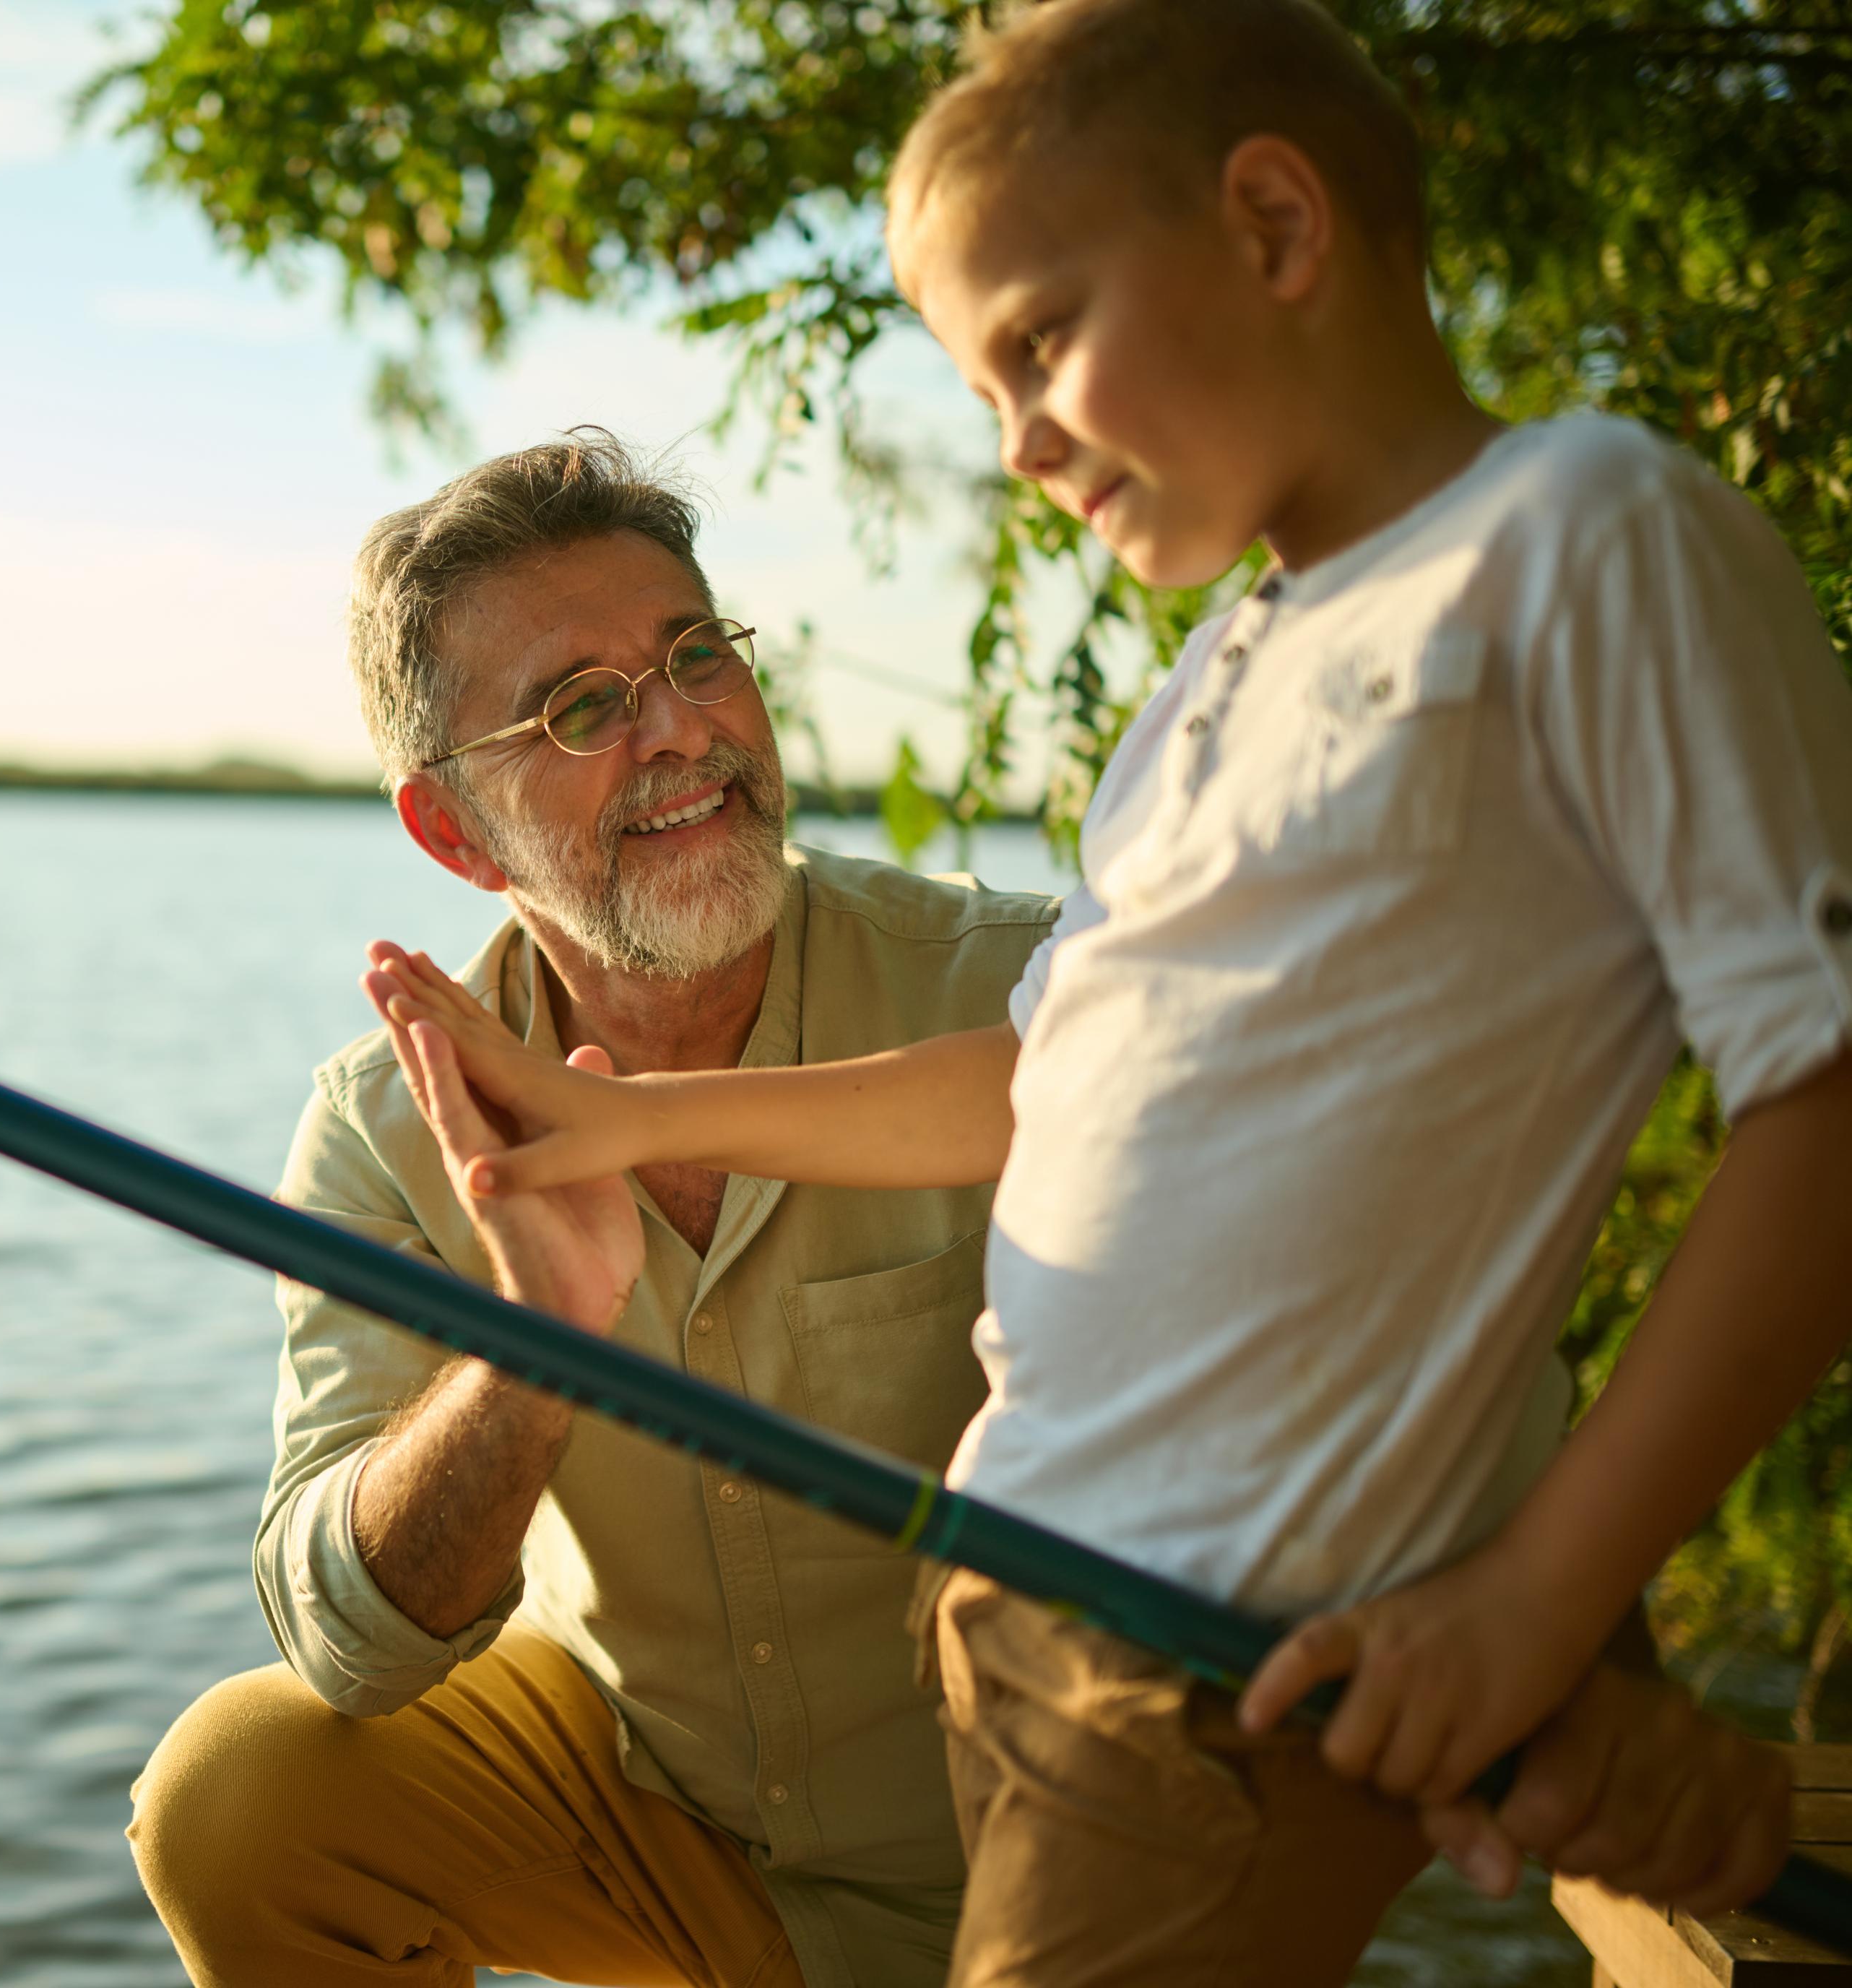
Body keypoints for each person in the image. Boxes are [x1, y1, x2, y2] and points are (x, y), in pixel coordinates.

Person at [361, 0, 1852, 1979]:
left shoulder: (1579, 541)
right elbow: (1049, 1084)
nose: (1020, 445)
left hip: (1218, 1650)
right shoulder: (1221, 682)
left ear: (1275, 226)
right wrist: (639, 1126)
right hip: (1037, 1614)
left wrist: (1539, 1605)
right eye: (986, 387)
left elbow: (1826, 1109)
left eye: (1040, 343)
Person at [127, 431, 1061, 1987]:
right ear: (452, 832)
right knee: (240, 1795)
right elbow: (346, 1638)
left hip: (1072, 1843)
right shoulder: (386, 1122)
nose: (684, 729)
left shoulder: (1019, 993)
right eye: (583, 707)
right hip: (669, 1841)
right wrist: (531, 1354)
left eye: (699, 656)